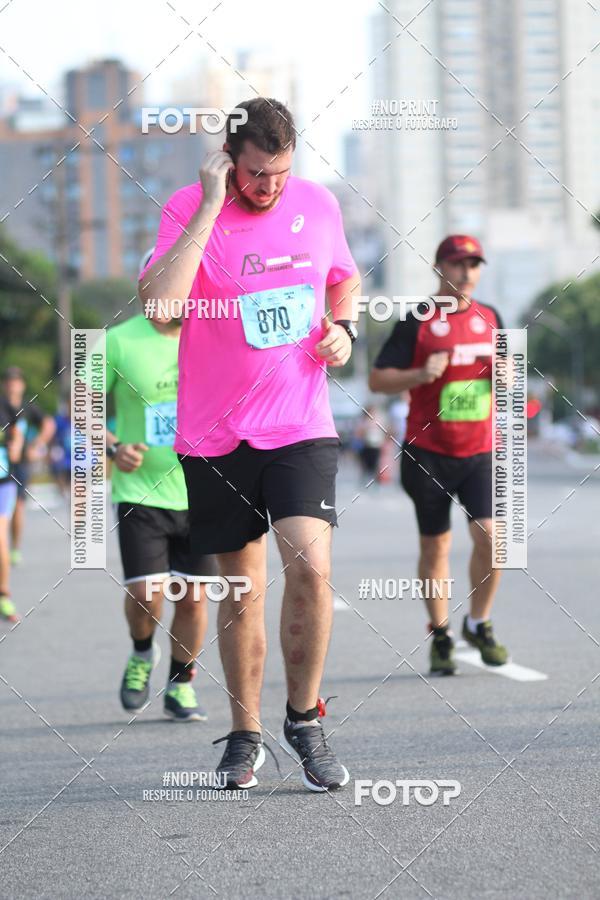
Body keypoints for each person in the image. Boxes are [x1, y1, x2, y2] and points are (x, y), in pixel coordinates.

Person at [139, 97, 361, 791]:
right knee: (240, 591)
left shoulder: (319, 205)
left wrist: (345, 328)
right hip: (214, 435)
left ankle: (305, 717)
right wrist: (210, 206)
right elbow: (158, 305)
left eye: (281, 173)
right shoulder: (187, 206)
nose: (269, 188)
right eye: (257, 174)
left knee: (310, 561)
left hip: (299, 424)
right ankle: (244, 734)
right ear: (229, 160)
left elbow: (344, 278)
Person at [369, 234, 509, 675]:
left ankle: (478, 622)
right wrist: (417, 374)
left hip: (480, 451)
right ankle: (441, 632)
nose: (466, 272)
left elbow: (507, 378)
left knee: (493, 538)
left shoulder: (492, 317)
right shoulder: (417, 321)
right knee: (436, 546)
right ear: (438, 268)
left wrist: (507, 375)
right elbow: (377, 379)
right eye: (456, 264)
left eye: (474, 264)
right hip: (427, 452)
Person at [106, 250, 218, 721]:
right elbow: (84, 408)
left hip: (203, 492)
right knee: (147, 594)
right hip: (141, 491)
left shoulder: (212, 338)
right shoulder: (114, 341)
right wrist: (113, 447)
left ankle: (181, 682)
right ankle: (140, 651)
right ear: (143, 287)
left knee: (192, 598)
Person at [1, 367, 55, 565]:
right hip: (3, 462)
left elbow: (48, 424)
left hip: (20, 464)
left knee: (18, 506)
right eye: (8, 381)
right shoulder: (2, 405)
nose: (12, 385)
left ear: (22, 385)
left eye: (16, 381)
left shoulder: (28, 406)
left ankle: (14, 547)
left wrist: (37, 445)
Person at [0, 394, 24, 622]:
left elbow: (17, 429)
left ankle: (3, 594)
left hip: (3, 483)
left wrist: (16, 445)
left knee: (0, 538)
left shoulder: (4, 404)